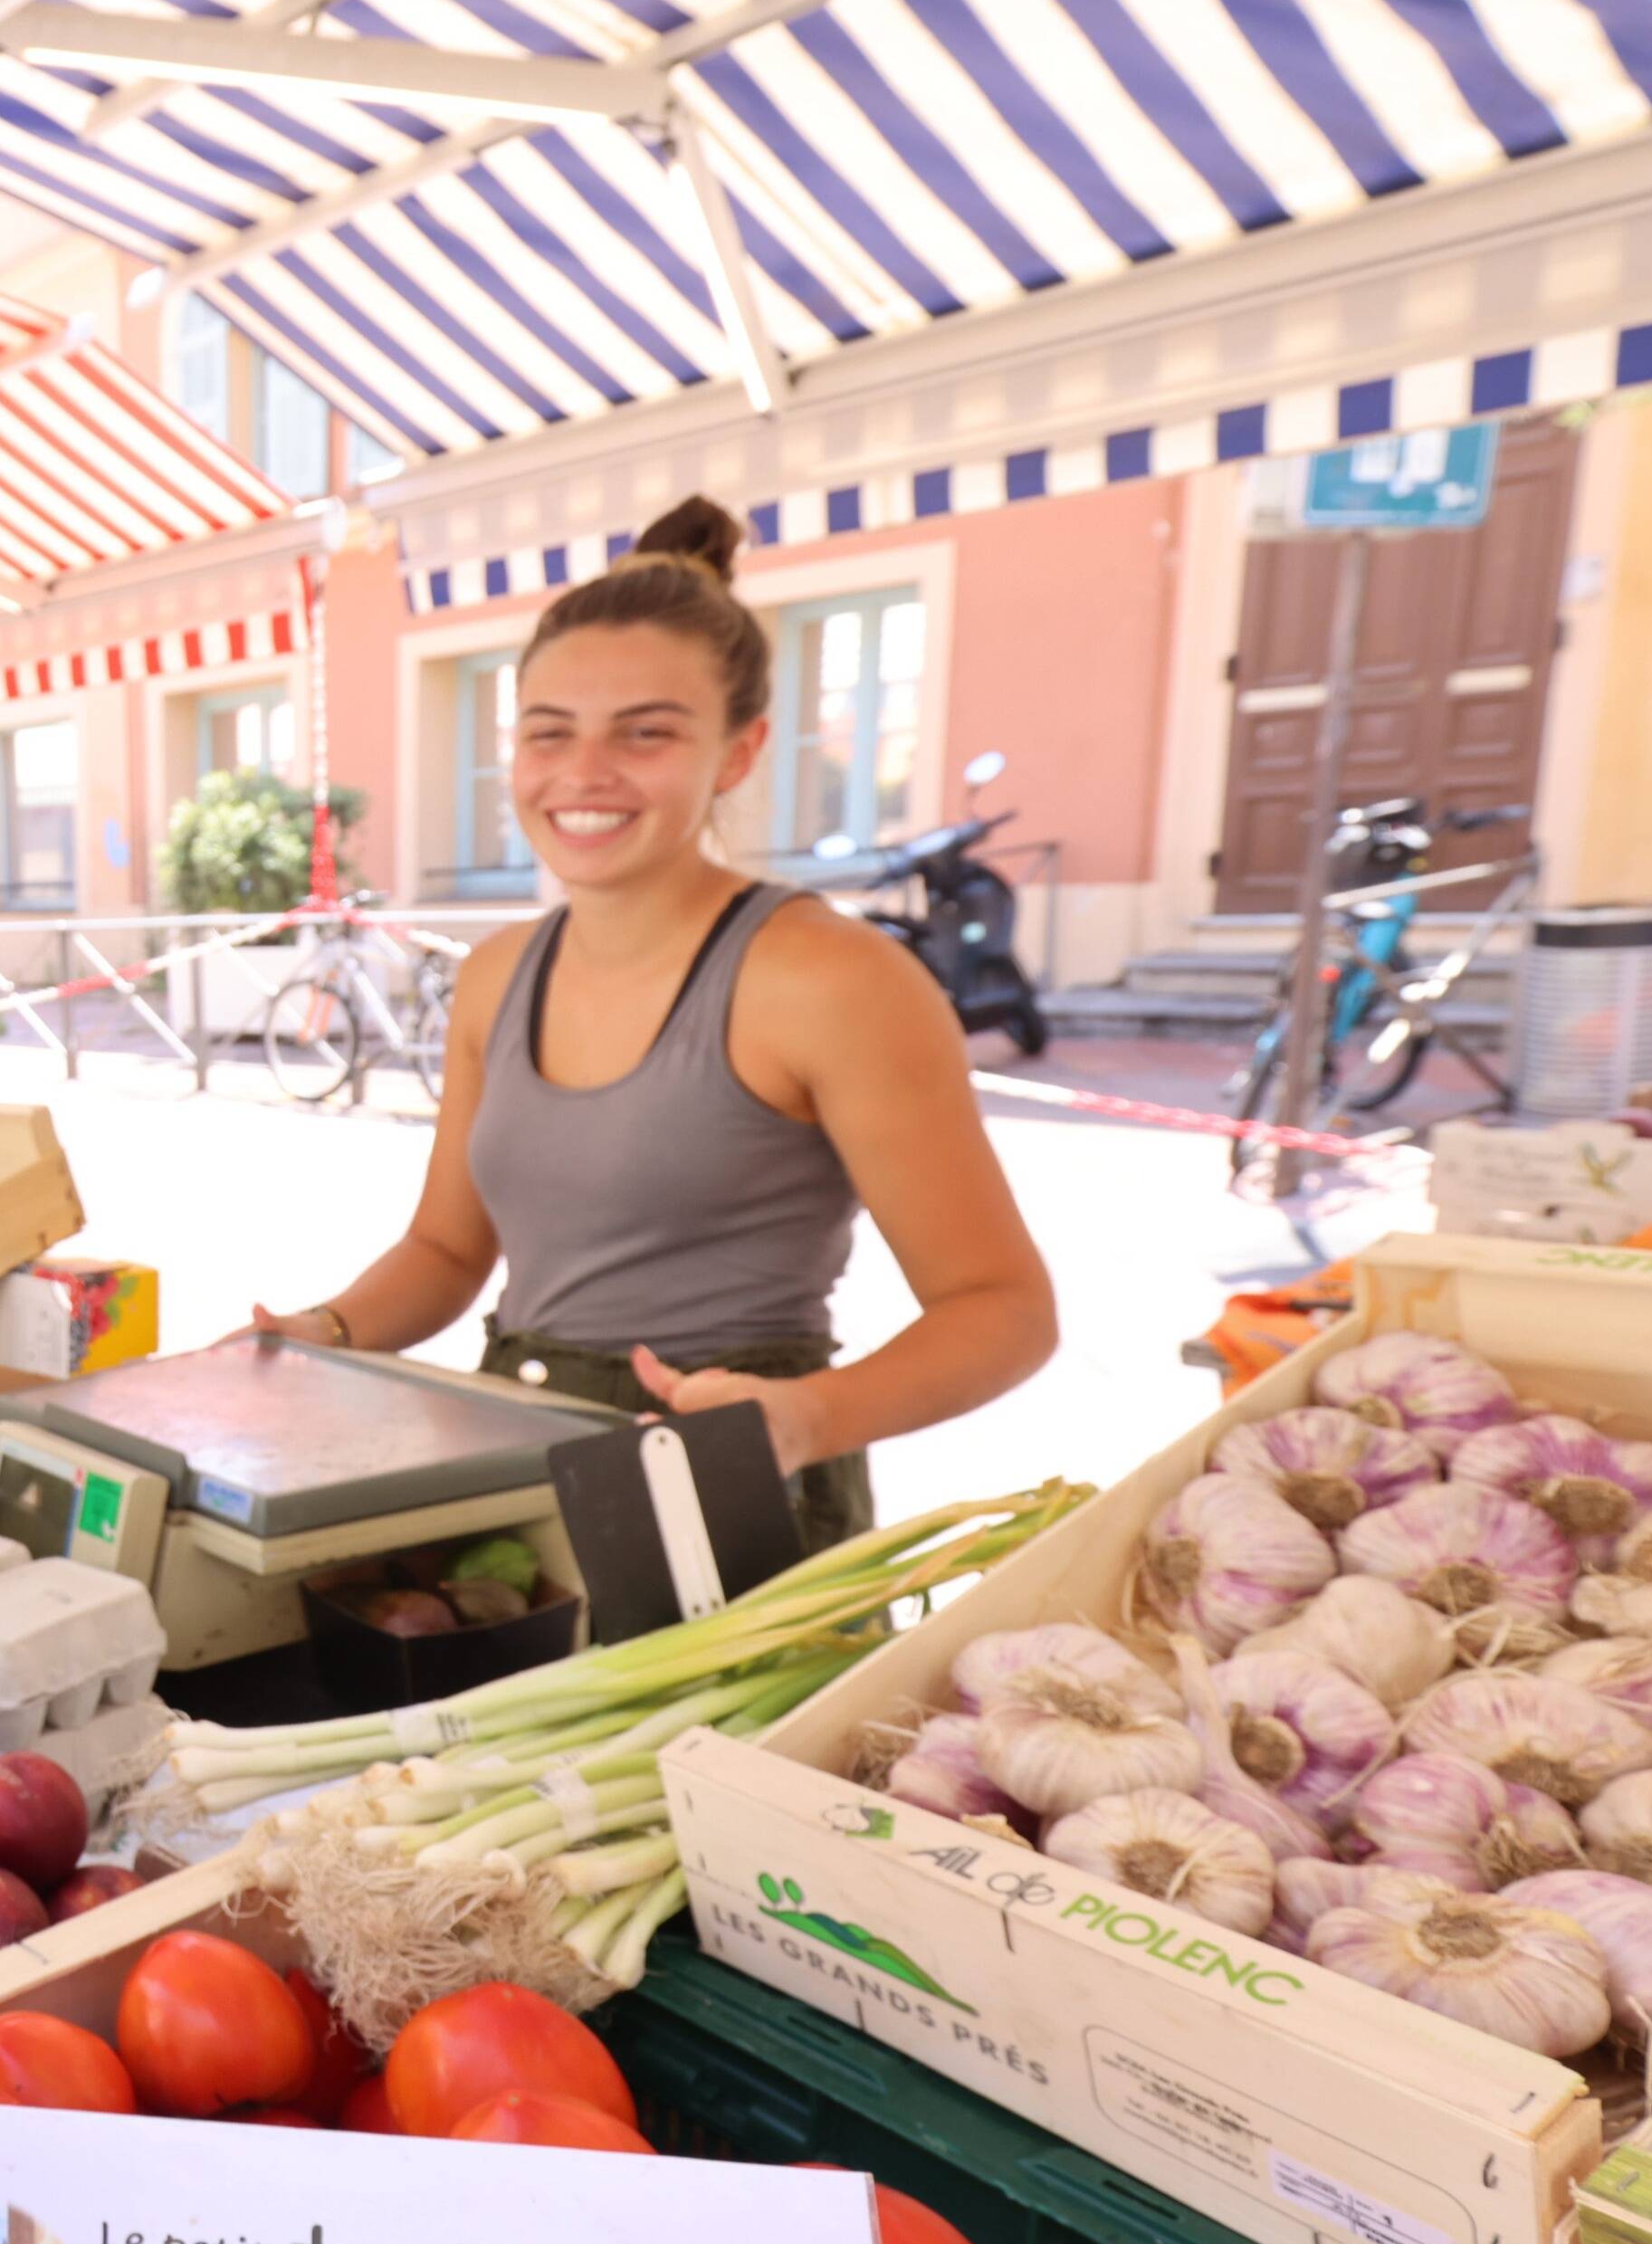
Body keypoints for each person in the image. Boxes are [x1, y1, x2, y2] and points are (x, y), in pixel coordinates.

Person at [256, 498, 1054, 1546]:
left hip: (738, 1491)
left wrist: (810, 1417)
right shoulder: (497, 976)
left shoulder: (832, 979)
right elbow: (446, 1248)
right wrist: (327, 1332)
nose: (584, 775)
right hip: (511, 1460)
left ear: (735, 751)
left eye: (645, 734)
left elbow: (1001, 1308)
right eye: (548, 734)